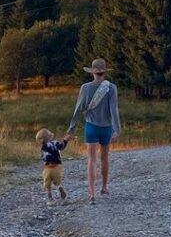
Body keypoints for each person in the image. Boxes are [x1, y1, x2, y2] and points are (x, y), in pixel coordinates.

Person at [64, 58, 121, 204]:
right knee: (105, 157)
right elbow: (113, 109)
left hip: (91, 127)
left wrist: (72, 128)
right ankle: (104, 187)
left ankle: (91, 192)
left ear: (93, 73)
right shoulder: (111, 88)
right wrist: (117, 129)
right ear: (104, 72)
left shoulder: (85, 88)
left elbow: (78, 109)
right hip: (106, 127)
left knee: (91, 159)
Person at [37, 128, 69, 203]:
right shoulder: (55, 143)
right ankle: (59, 187)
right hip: (56, 167)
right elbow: (62, 147)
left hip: (47, 168)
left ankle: (51, 199)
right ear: (50, 136)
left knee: (47, 184)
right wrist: (65, 140)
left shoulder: (43, 147)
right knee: (57, 182)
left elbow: (43, 158)